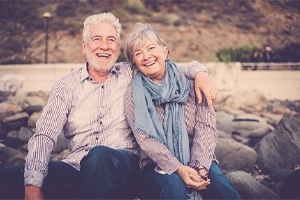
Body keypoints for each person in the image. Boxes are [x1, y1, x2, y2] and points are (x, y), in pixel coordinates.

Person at [0, 13, 217, 199]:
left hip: (124, 168)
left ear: (117, 48)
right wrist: (33, 184)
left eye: (111, 40)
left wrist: (200, 72)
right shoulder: (66, 85)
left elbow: (164, 64)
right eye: (97, 39)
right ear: (84, 46)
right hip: (77, 167)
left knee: (100, 155)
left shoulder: (131, 73)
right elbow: (45, 135)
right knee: (8, 179)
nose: (104, 46)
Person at [124, 23, 241, 199]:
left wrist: (200, 166)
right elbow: (145, 140)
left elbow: (206, 128)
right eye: (138, 53)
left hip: (199, 158)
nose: (146, 56)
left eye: (151, 48)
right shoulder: (133, 94)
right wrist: (178, 169)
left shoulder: (192, 81)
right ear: (135, 63)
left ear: (165, 51)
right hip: (156, 165)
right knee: (174, 190)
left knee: (223, 191)